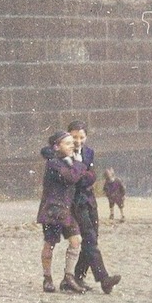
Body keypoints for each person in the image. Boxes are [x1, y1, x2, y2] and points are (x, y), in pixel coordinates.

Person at [54, 120, 121, 293]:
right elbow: (75, 179)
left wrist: (83, 175)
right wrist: (82, 175)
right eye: (74, 137)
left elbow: (91, 177)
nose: (78, 141)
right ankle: (104, 278)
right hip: (75, 202)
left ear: (86, 137)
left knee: (93, 238)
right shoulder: (65, 154)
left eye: (81, 137)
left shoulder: (89, 152)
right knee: (89, 237)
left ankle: (76, 277)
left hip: (90, 200)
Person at [37, 130, 90, 293]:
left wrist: (78, 165)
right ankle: (47, 278)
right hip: (53, 210)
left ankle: (68, 276)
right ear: (57, 146)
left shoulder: (69, 161)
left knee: (76, 240)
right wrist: (80, 164)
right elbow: (72, 177)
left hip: (66, 210)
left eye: (71, 143)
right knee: (50, 243)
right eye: (67, 143)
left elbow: (86, 178)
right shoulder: (54, 163)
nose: (72, 146)